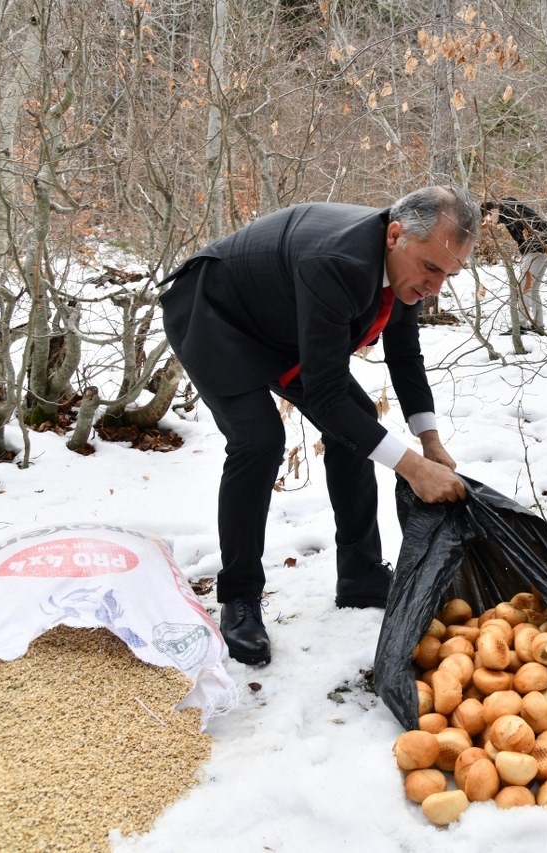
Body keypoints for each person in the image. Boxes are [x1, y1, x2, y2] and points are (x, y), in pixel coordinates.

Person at [159, 186, 477, 666]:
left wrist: (429, 441)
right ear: (395, 235)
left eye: (449, 275)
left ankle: (360, 574)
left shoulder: (409, 265)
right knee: (259, 440)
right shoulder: (338, 262)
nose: (436, 286)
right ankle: (240, 597)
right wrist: (412, 468)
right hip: (215, 315)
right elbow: (326, 395)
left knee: (357, 425)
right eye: (432, 269)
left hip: (283, 325)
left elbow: (405, 354)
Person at [482, 198, 547, 332]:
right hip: (545, 250)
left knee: (523, 288)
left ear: (492, 211)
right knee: (533, 289)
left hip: (535, 251)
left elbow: (535, 223)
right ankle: (538, 325)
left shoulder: (509, 212)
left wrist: (532, 242)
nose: (490, 224)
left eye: (489, 220)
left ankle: (521, 324)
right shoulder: (510, 210)